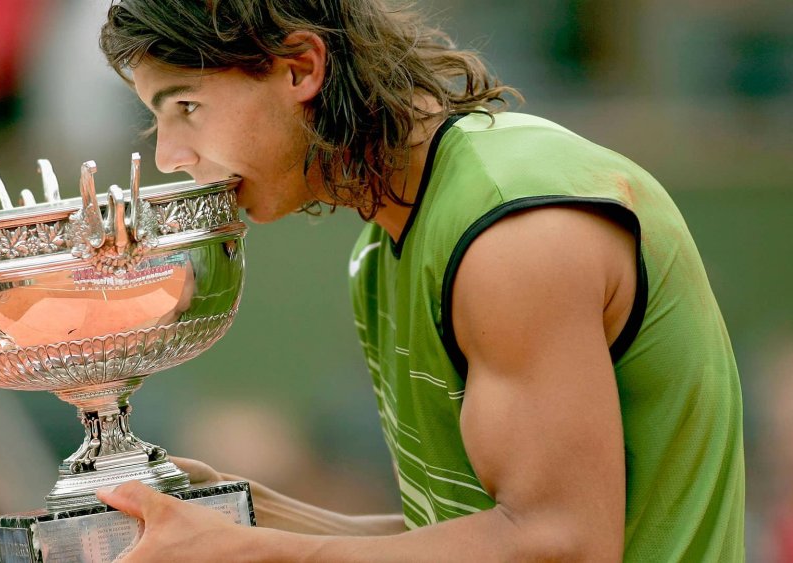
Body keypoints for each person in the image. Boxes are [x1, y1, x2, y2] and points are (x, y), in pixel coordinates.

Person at [95, 0, 746, 560]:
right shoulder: (382, 250)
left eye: (185, 105)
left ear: (300, 67)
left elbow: (562, 544)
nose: (169, 155)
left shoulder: (509, 232)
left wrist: (260, 552)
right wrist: (245, 511)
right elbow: (462, 536)